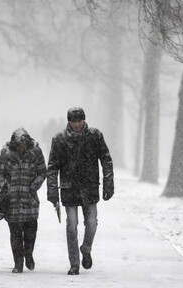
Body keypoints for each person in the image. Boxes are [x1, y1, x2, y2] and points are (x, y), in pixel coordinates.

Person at [47, 107, 114, 275]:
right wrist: (52, 191)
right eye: (74, 121)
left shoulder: (95, 136)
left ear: (84, 120)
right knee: (71, 226)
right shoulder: (59, 140)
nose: (77, 124)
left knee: (91, 224)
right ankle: (74, 263)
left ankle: (86, 247)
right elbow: (52, 167)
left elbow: (106, 159)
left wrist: (108, 183)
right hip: (69, 187)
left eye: (79, 121)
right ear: (69, 121)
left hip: (89, 187)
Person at [0, 128, 46, 273]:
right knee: (15, 234)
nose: (21, 148)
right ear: (13, 144)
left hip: (30, 200)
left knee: (31, 232)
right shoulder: (6, 155)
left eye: (23, 145)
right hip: (12, 201)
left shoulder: (35, 153)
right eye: (18, 145)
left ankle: (28, 254)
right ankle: (18, 263)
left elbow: (42, 172)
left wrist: (34, 186)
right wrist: (5, 187)